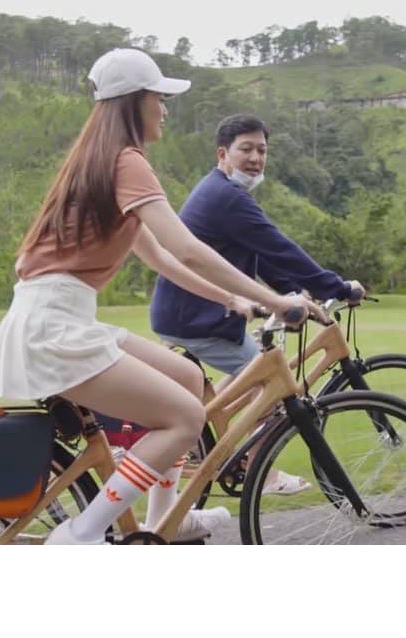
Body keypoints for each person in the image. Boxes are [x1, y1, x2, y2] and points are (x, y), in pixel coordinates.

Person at [0, 50, 321, 544]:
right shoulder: (126, 162)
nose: (164, 109)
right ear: (135, 102)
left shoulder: (99, 162)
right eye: (159, 98)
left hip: (57, 316)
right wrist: (279, 300)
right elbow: (187, 248)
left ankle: (167, 520)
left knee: (187, 377)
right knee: (186, 418)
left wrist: (231, 299)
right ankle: (81, 533)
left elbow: (161, 258)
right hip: (55, 325)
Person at [150, 113, 365, 494]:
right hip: (197, 319)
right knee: (274, 387)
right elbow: (279, 246)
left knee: (248, 384)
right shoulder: (227, 198)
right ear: (222, 154)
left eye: (261, 150)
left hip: (192, 314)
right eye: (245, 149)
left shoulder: (223, 192)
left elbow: (264, 258)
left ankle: (206, 441)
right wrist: (337, 286)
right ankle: (256, 470)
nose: (255, 158)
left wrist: (295, 291)